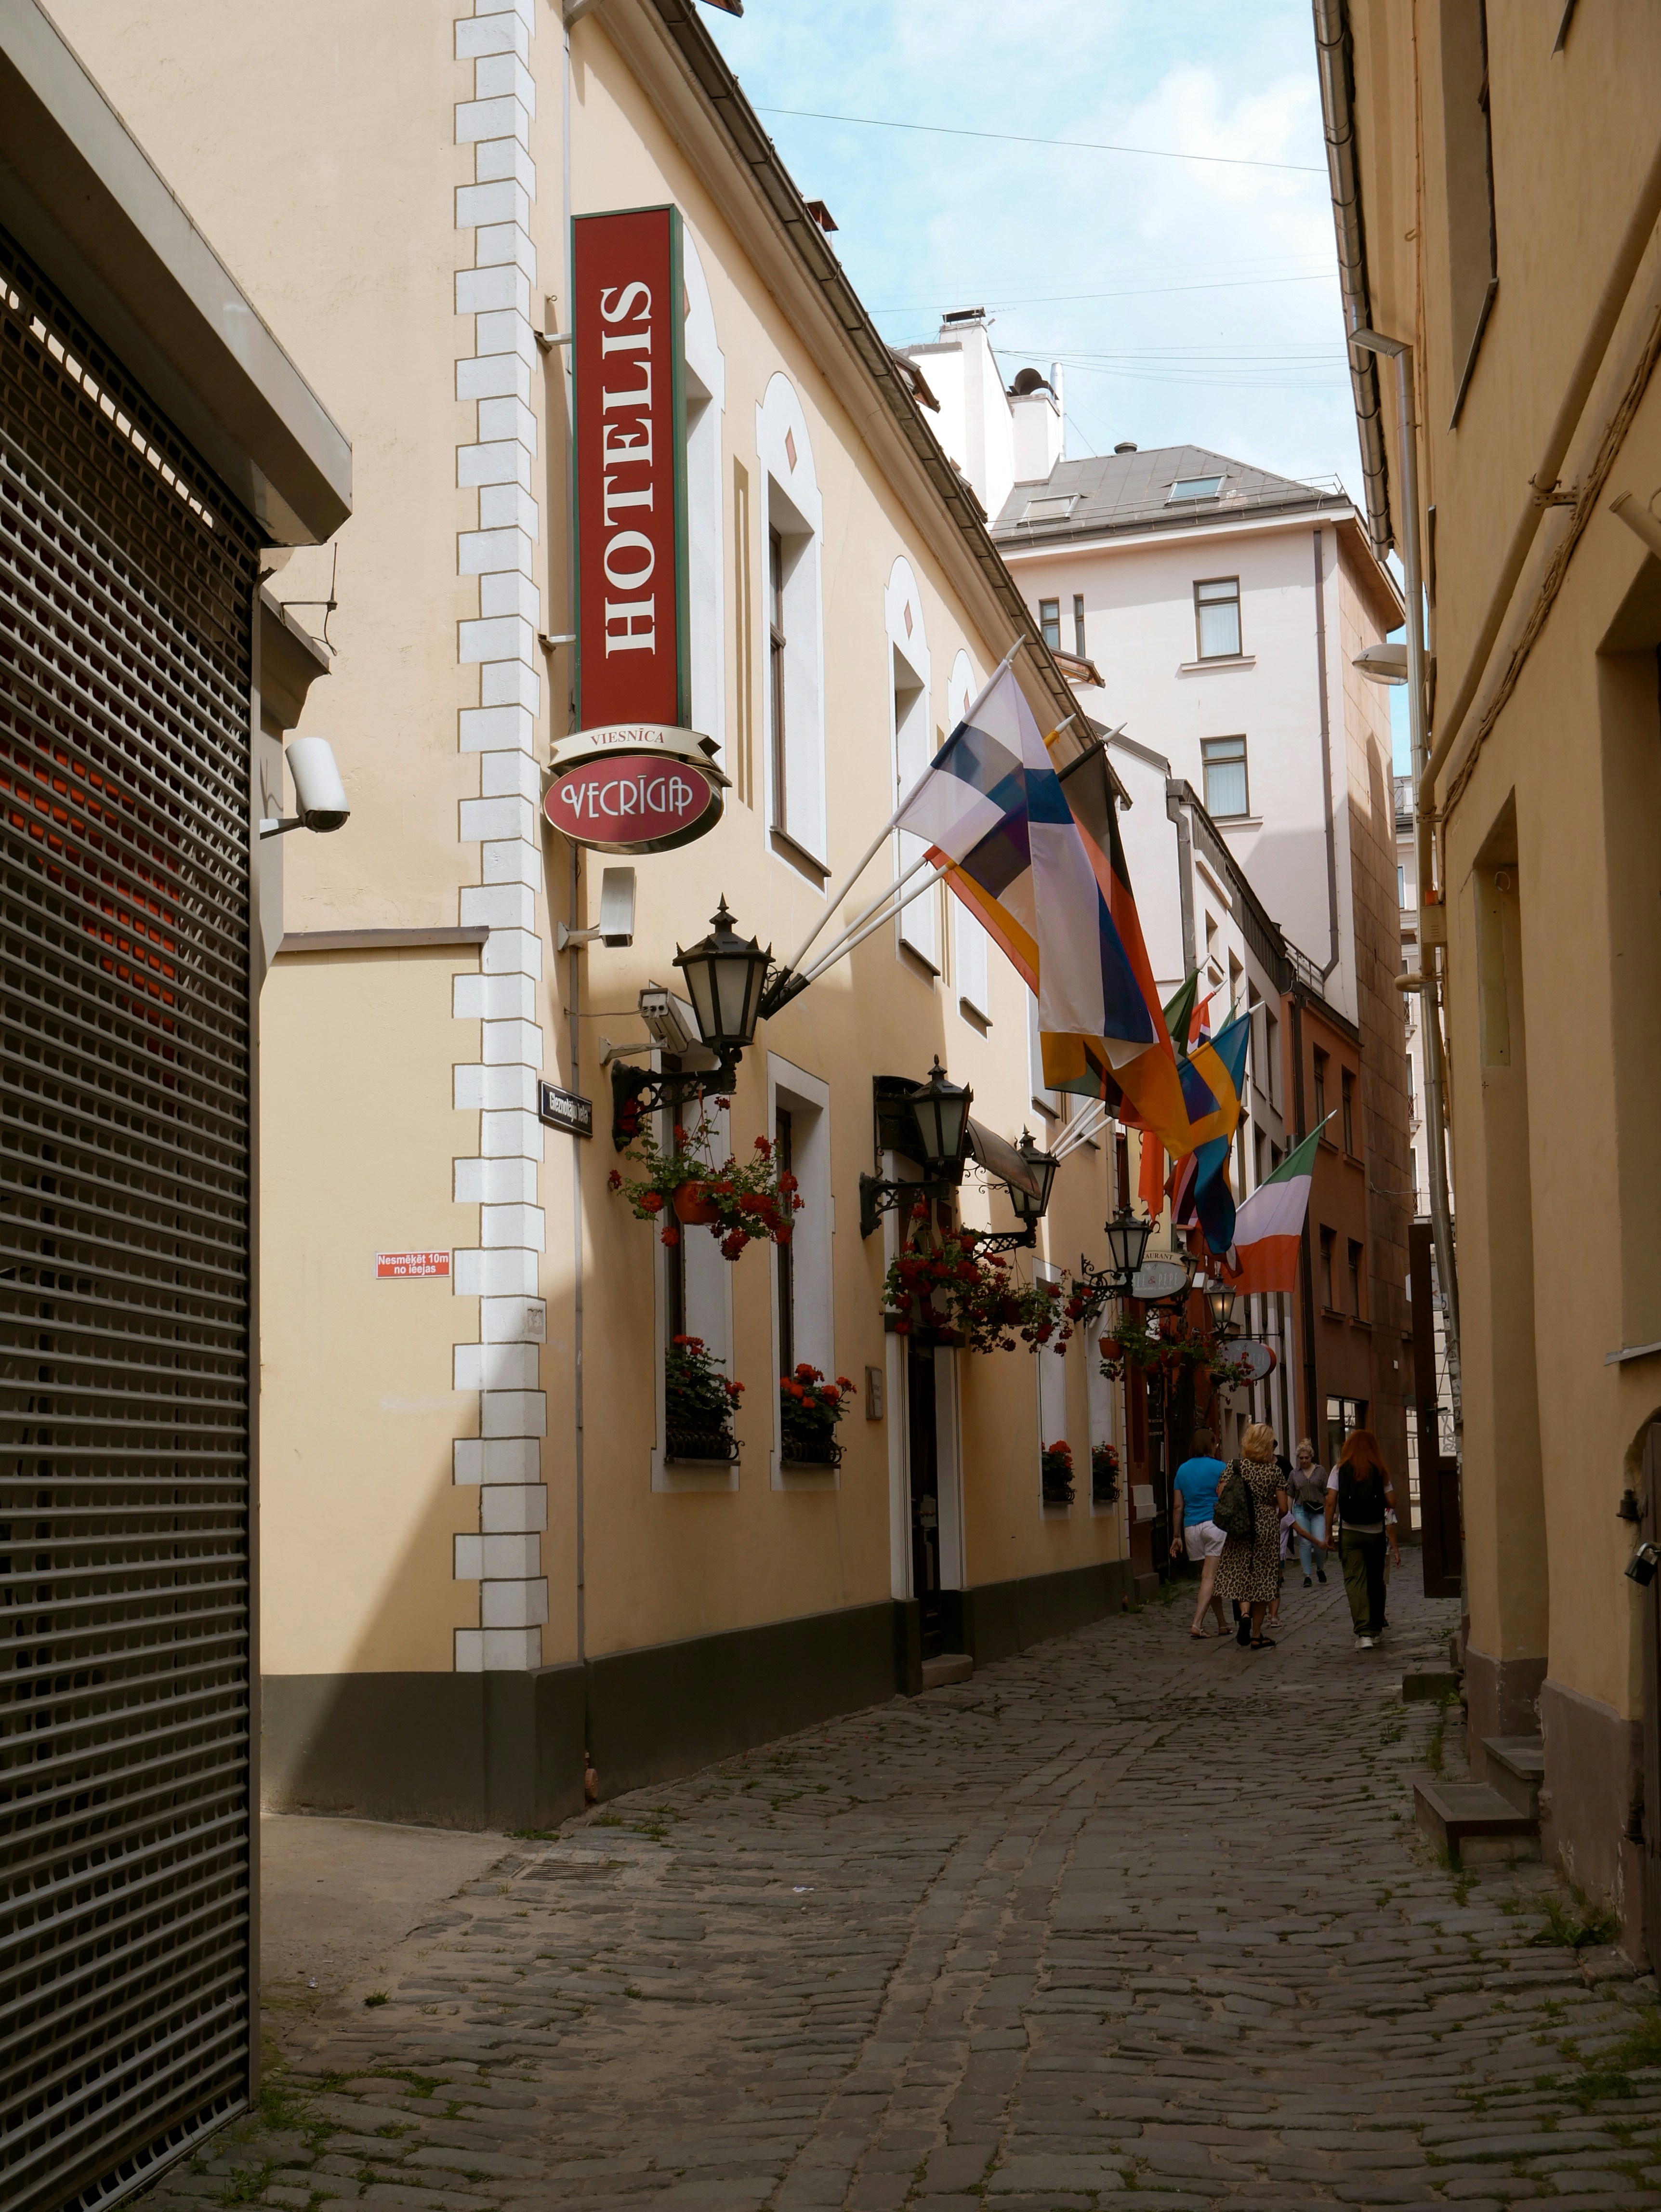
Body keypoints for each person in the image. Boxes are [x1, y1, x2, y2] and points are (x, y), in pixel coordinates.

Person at [1213, 1422, 1289, 1650]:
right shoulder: (1274, 1471)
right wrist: (1272, 1517)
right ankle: (1257, 1635)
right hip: (1265, 1526)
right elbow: (1284, 1508)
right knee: (1264, 1579)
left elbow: (1220, 1493)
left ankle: (1244, 1614)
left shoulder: (1235, 1466)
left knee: (1240, 1572)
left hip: (1240, 1525)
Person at [1322, 1429, 1400, 1649]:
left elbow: (1330, 1502)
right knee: (1376, 1581)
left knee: (1355, 1581)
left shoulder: (1339, 1470)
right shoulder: (1380, 1470)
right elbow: (1392, 1502)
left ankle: (1364, 1633)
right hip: (1375, 1532)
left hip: (1350, 1531)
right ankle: (1376, 1629)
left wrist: (1328, 1532)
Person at [1170, 1426, 1228, 1638]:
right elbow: (1227, 1497)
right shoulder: (1221, 1467)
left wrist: (1177, 1536)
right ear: (1211, 1445)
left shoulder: (1182, 1470)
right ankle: (1197, 1623)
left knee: (1207, 1578)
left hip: (1191, 1529)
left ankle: (1222, 1623)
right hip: (1214, 1525)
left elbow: (1178, 1506)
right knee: (1210, 1577)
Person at [1290, 1440, 1330, 1588]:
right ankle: (1307, 1575)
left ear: (1311, 1457)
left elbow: (1327, 1493)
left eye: (1307, 1458)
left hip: (1318, 1510)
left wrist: (1332, 1512)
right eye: (1301, 1458)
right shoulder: (1294, 1474)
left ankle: (1320, 1568)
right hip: (1301, 1510)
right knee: (1305, 1543)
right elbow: (1290, 1494)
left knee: (1320, 1542)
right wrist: (1288, 1515)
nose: (1304, 1461)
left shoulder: (1320, 1471)